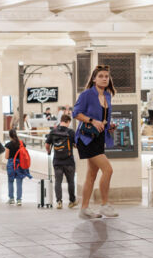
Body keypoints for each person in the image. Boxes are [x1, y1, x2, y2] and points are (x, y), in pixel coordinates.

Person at [73, 65, 117, 220]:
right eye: (101, 76)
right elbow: (76, 113)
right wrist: (92, 121)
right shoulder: (87, 95)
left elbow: (104, 117)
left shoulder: (108, 95)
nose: (104, 79)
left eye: (106, 76)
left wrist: (108, 125)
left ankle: (84, 209)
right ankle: (105, 204)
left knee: (91, 174)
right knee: (108, 170)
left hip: (99, 138)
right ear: (94, 79)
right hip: (86, 138)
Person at [44, 114, 77, 209]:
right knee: (71, 182)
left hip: (57, 161)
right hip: (69, 161)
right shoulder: (70, 132)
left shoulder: (53, 131)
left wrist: (49, 151)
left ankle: (59, 202)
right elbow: (76, 144)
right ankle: (72, 201)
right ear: (67, 122)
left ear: (61, 120)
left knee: (58, 182)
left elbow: (47, 145)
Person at [4, 128, 30, 206]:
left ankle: (11, 199)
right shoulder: (22, 144)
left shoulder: (8, 145)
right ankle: (19, 200)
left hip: (11, 164)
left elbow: (6, 156)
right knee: (19, 182)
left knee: (10, 181)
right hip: (20, 164)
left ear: (10, 135)